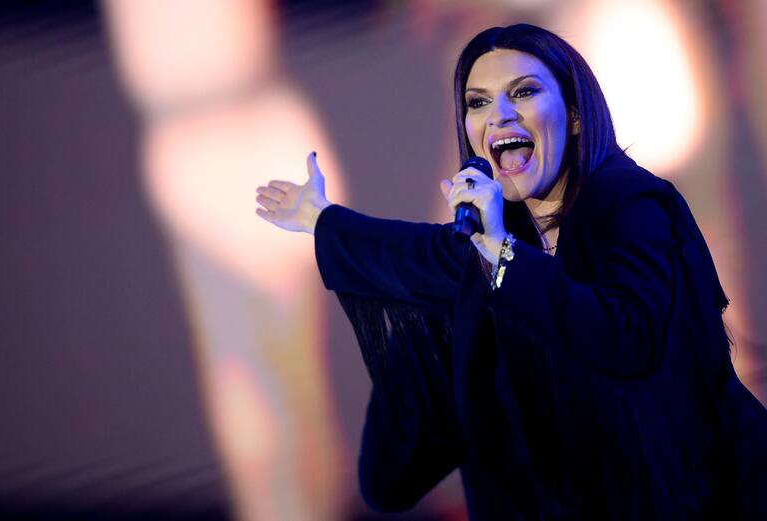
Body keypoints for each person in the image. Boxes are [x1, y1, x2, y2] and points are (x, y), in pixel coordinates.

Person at [255, 24, 767, 520]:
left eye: (521, 93)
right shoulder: (499, 237)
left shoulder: (630, 202)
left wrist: (497, 248)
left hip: (706, 493)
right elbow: (409, 252)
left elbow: (625, 334)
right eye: (477, 102)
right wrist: (319, 219)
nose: (497, 115)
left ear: (573, 116)